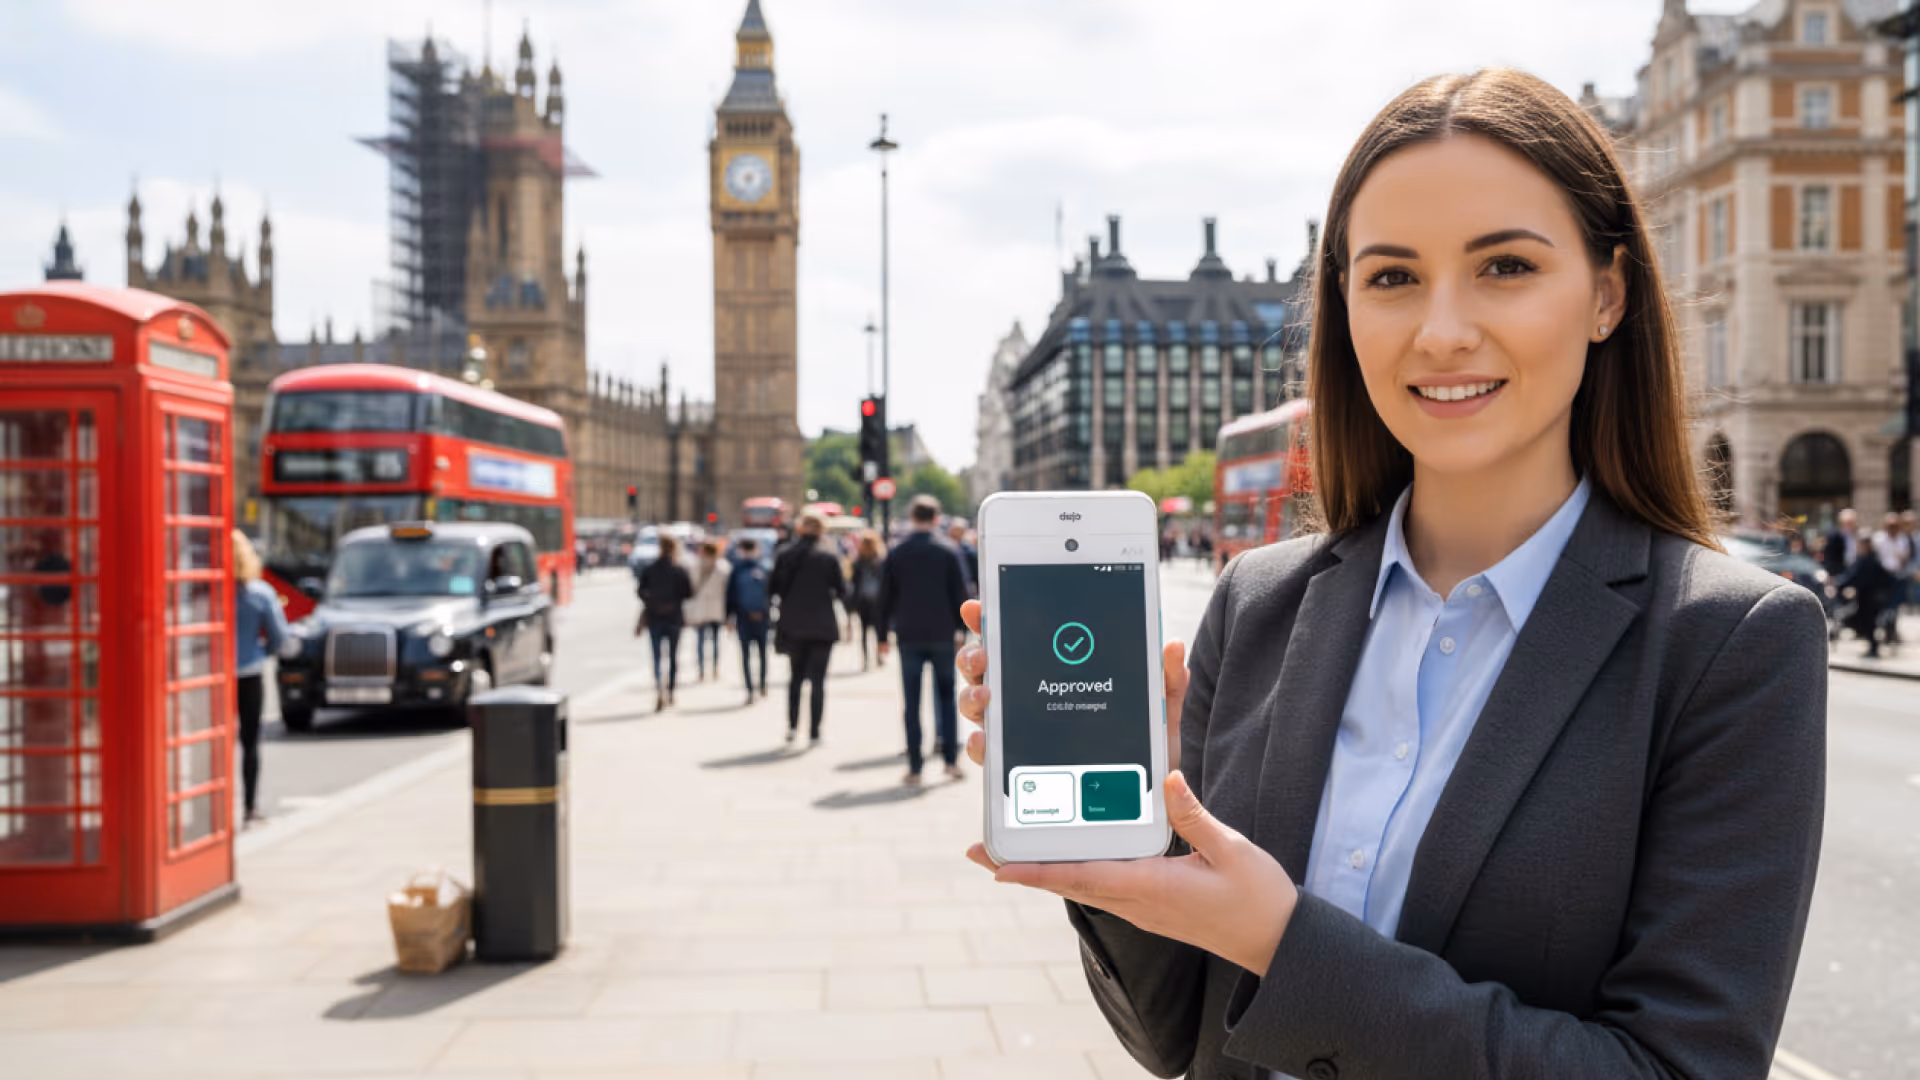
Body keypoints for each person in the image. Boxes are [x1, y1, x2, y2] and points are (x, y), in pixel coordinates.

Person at [951, 69, 1826, 1080]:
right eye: (1392, 277)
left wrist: (1284, 942)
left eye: (1504, 266)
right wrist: (1139, 839)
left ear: (1606, 294)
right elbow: (1176, 1036)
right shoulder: (1259, 604)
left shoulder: (1733, 644)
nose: (1441, 331)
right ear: (1345, 307)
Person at [879, 495, 971, 786]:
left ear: (912, 517)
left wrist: (881, 636)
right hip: (943, 634)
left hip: (909, 634)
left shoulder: (898, 552)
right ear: (936, 518)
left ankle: (915, 767)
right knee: (947, 698)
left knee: (912, 702)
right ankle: (951, 761)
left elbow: (885, 597)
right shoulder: (948, 550)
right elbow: (961, 594)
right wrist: (961, 630)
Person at [770, 511, 848, 745]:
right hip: (822, 624)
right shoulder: (828, 556)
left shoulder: (785, 555)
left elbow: (773, 588)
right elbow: (842, 591)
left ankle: (793, 726)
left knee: (795, 677)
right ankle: (815, 731)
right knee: (818, 680)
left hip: (793, 623)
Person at [232, 530, 288, 827]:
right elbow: (280, 637)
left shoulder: (208, 592)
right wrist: (261, 651)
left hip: (217, 677)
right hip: (250, 674)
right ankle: (250, 807)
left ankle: (212, 813)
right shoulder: (261, 594)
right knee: (250, 743)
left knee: (217, 744)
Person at [636, 534, 693, 711]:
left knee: (657, 657)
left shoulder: (650, 569)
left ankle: (659, 687)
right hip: (674, 618)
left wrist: (653, 602)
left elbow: (640, 591)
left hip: (654, 617)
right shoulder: (679, 569)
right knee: (673, 657)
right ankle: (671, 691)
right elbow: (689, 593)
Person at [726, 537, 773, 705]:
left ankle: (750, 690)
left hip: (743, 616)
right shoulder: (764, 567)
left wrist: (729, 617)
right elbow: (771, 593)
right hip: (761, 616)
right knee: (762, 653)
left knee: (745, 655)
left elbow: (730, 596)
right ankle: (762, 684)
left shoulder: (736, 569)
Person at [687, 540, 730, 682]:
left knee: (700, 641)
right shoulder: (723, 567)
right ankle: (715, 669)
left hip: (701, 608)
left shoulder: (695, 566)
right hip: (717, 608)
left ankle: (701, 672)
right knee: (716, 641)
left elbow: (690, 587)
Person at [847, 530, 886, 670]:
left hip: (862, 599)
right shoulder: (880, 561)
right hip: (877, 599)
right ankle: (878, 656)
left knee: (864, 630)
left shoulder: (858, 561)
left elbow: (852, 582)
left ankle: (866, 659)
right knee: (877, 629)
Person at [945, 519, 979, 598]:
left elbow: (975, 574)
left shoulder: (969, 551)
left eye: (958, 530)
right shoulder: (944, 549)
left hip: (965, 589)